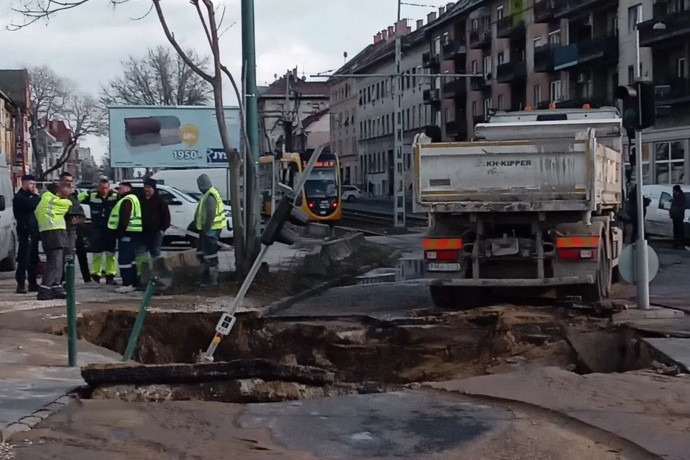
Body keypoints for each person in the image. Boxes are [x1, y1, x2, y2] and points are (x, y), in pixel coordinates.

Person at [35, 183, 72, 300]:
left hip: (50, 233)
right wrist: (67, 195)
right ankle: (45, 289)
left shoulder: (45, 199)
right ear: (57, 192)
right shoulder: (55, 201)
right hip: (54, 233)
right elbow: (68, 203)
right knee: (54, 263)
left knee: (58, 262)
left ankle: (56, 287)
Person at [79, 179, 118, 284]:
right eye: (102, 188)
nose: (104, 190)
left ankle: (110, 275)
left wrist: (117, 192)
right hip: (97, 229)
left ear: (109, 187)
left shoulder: (114, 197)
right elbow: (78, 198)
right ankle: (96, 274)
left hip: (111, 229)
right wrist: (89, 192)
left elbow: (124, 198)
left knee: (111, 254)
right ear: (98, 188)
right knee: (97, 253)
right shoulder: (93, 196)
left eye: (106, 188)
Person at [108, 182, 142, 293]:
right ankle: (133, 282)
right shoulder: (133, 198)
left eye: (120, 188)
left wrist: (120, 233)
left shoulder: (127, 200)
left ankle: (127, 283)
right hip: (133, 233)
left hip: (127, 234)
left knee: (124, 260)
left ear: (127, 188)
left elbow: (124, 218)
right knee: (131, 260)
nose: (119, 190)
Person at [194, 174, 226, 287]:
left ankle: (212, 281)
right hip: (210, 229)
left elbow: (210, 213)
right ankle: (206, 278)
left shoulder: (210, 196)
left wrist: (206, 229)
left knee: (210, 255)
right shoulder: (209, 194)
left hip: (211, 230)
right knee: (204, 254)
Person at [136, 178, 171, 280]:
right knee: (141, 255)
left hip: (155, 233)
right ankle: (142, 275)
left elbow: (166, 217)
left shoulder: (160, 201)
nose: (147, 189)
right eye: (145, 187)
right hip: (141, 233)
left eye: (149, 187)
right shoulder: (139, 199)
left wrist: (162, 229)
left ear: (153, 189)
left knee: (155, 255)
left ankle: (156, 276)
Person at [59, 172, 90, 282]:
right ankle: (60, 280)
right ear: (60, 181)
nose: (68, 184)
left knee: (73, 255)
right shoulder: (52, 195)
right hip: (58, 230)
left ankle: (77, 280)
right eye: (66, 181)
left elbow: (81, 214)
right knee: (60, 258)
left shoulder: (73, 196)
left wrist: (78, 220)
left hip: (73, 230)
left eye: (70, 181)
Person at [13, 175, 40, 294]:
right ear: (24, 183)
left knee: (33, 258)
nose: (33, 187)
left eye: (34, 184)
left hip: (34, 231)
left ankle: (33, 283)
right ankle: (21, 283)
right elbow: (32, 205)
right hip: (25, 231)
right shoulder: (19, 197)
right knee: (24, 258)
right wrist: (35, 195)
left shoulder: (31, 197)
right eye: (31, 184)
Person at [670, 185, 687, 249]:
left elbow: (683, 205)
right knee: (676, 230)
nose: (673, 191)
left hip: (679, 216)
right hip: (675, 216)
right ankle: (676, 243)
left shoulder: (681, 196)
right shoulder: (675, 196)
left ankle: (680, 244)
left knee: (679, 230)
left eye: (673, 190)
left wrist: (677, 211)